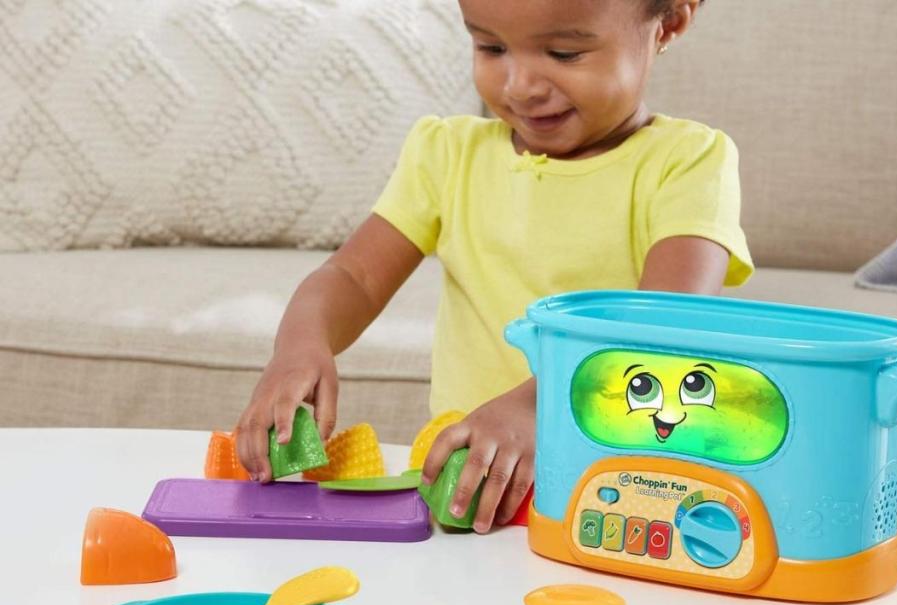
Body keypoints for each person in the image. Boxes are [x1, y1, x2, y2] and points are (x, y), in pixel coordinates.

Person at [236, 0, 752, 534]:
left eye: (564, 53)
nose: (520, 86)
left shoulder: (689, 163)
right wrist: (299, 345)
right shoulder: (447, 154)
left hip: (619, 494)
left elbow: (663, 323)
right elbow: (353, 277)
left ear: (670, 21)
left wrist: (537, 406)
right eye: (491, 47)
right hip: (468, 490)